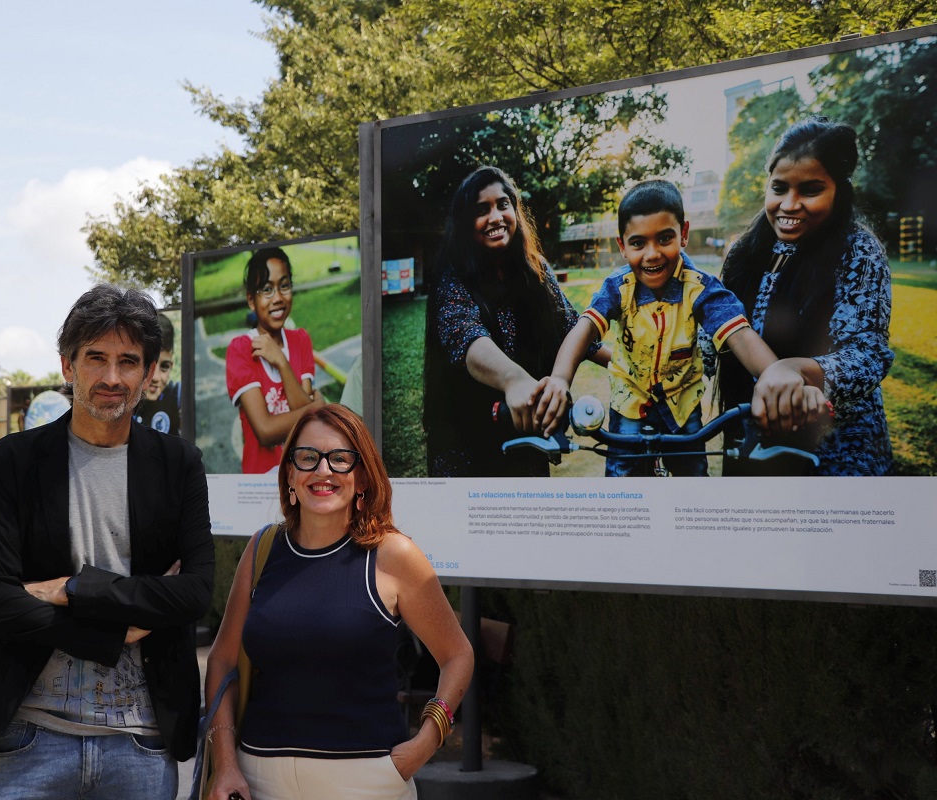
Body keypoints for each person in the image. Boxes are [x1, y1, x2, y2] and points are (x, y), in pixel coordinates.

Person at [0, 284, 215, 800]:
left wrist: (71, 588)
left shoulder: (179, 464)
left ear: (148, 373)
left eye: (128, 362)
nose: (112, 377)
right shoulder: (13, 462)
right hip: (27, 738)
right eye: (96, 358)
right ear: (68, 366)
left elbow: (196, 592)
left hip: (141, 741)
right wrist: (112, 635)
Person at [203, 404, 473, 800]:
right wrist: (225, 763)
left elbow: (457, 655)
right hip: (257, 780)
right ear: (290, 474)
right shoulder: (262, 549)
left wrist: (427, 740)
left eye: (341, 459)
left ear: (362, 477)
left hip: (365, 784)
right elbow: (222, 661)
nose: (323, 471)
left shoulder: (393, 555)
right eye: (308, 457)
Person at [534, 180, 823, 476]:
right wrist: (559, 379)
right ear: (622, 246)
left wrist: (777, 376)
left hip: (682, 402)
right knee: (624, 478)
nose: (652, 254)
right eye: (638, 243)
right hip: (630, 399)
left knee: (692, 477)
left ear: (683, 234)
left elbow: (739, 334)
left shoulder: (701, 288)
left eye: (664, 238)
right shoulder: (617, 288)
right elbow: (584, 329)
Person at [718, 117, 893, 476]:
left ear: (838, 190)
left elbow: (868, 355)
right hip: (754, 441)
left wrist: (795, 369)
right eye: (779, 188)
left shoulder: (859, 250)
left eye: (810, 190)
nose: (789, 204)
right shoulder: (744, 253)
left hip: (836, 452)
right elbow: (717, 337)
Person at [423, 165, 608, 477]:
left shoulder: (536, 270)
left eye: (503, 204)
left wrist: (629, 367)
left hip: (526, 441)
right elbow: (467, 338)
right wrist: (514, 380)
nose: (495, 217)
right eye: (482, 210)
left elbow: (573, 330)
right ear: (465, 223)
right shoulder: (452, 276)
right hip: (467, 449)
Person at [226, 247, 324, 473]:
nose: (278, 298)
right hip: (261, 483)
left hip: (303, 476)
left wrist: (281, 362)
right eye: (267, 289)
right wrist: (317, 408)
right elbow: (266, 432)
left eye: (284, 286)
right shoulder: (241, 349)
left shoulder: (300, 340)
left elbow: (307, 428)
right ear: (251, 300)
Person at [135, 312, 181, 436]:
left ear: (171, 366)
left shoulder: (176, 397)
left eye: (164, 367)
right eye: (147, 365)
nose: (155, 377)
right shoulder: (122, 404)